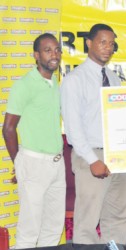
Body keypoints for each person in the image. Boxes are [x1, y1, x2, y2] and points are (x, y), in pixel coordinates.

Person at [60, 23, 126, 244]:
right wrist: (92, 160)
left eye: (111, 44)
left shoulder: (114, 77)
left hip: (116, 157)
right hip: (90, 156)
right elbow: (73, 128)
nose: (107, 48)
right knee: (87, 220)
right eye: (102, 42)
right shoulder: (75, 80)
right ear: (89, 43)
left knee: (118, 217)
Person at [2, 33, 65, 249]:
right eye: (48, 50)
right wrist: (19, 162)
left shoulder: (55, 81)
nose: (54, 55)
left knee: (53, 228)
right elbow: (8, 128)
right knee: (29, 230)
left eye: (57, 50)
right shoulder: (24, 85)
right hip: (33, 163)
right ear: (36, 55)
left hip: (57, 163)